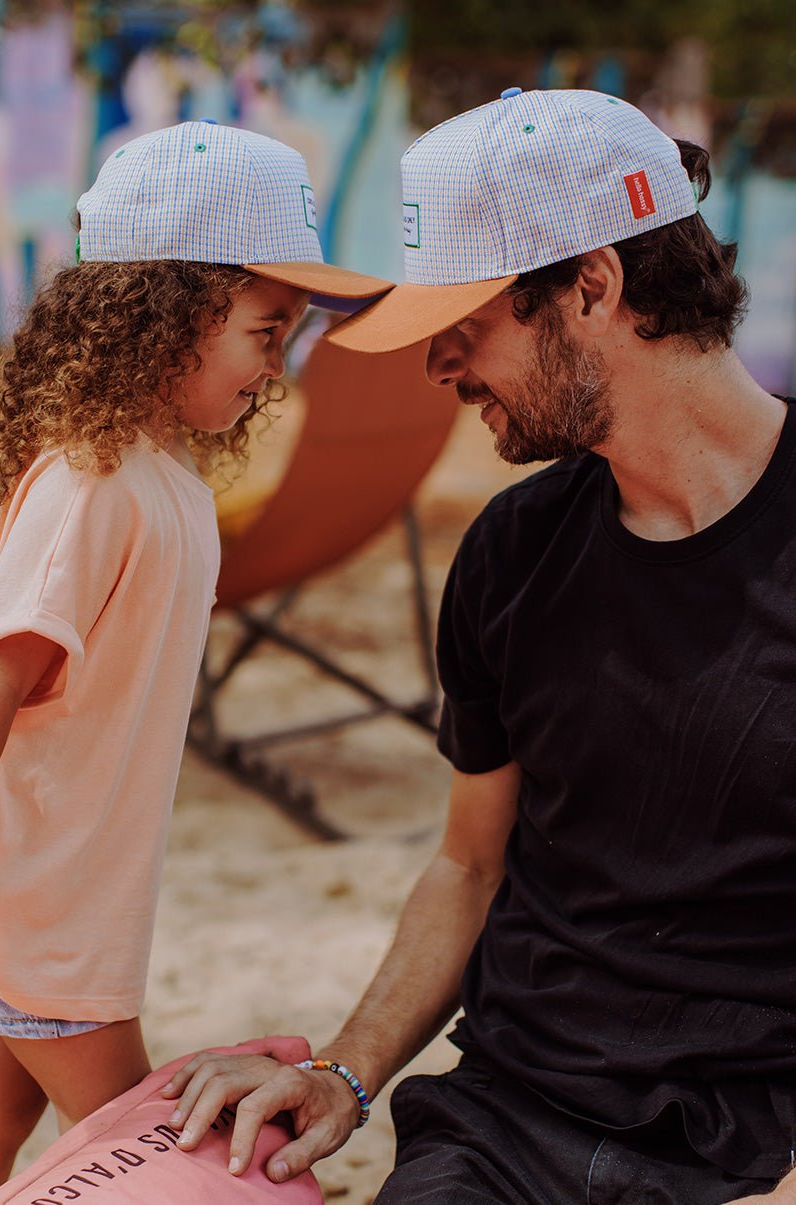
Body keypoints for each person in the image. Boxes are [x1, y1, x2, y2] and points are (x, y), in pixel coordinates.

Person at [162, 88, 796, 1204]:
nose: (438, 367)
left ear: (591, 285)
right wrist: (344, 1071)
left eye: (465, 322)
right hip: (507, 1124)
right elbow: (469, 862)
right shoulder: (511, 551)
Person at [0, 118, 391, 1205]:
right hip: (40, 903)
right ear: (166, 313)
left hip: (51, 887)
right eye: (265, 329)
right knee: (150, 1152)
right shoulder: (92, 483)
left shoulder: (161, 478)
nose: (277, 364)